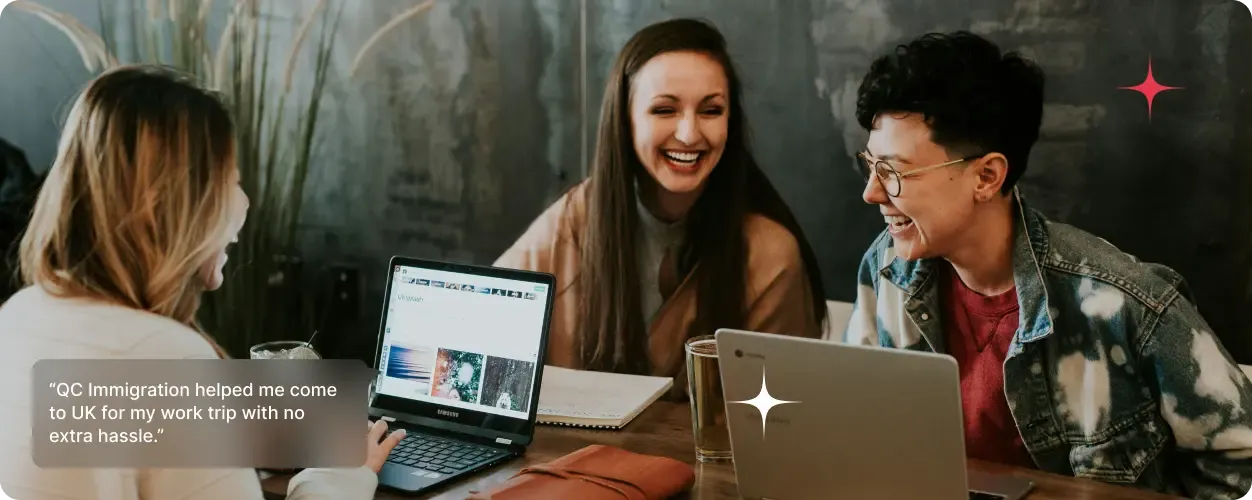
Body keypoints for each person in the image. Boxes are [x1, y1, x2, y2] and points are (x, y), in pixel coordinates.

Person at [839, 31, 1252, 497]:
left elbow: (1241, 467)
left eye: (893, 172)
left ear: (987, 176)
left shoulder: (1126, 305)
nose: (871, 192)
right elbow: (857, 425)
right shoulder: (888, 266)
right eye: (870, 165)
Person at [0, 65, 404, 499]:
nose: (244, 204)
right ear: (174, 205)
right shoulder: (164, 356)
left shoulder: (20, 315)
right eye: (230, 183)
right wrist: (340, 473)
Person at [494, 18, 828, 390]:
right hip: (574, 449)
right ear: (625, 120)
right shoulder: (574, 219)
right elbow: (481, 328)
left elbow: (776, 421)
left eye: (711, 110)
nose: (689, 134)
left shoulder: (769, 256)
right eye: (664, 110)